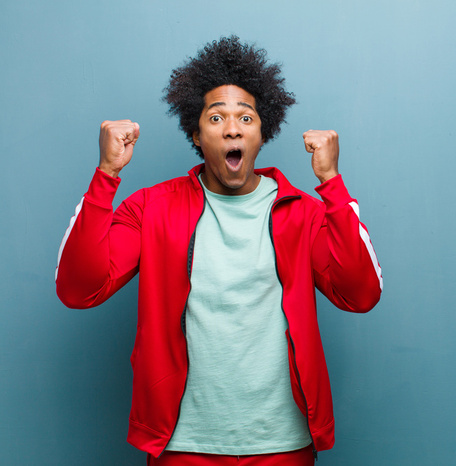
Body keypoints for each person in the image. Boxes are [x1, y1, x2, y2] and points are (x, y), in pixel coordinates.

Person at [55, 35, 382, 465]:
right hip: (182, 444)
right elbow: (80, 289)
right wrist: (106, 175)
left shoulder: (302, 212)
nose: (232, 128)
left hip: (282, 444)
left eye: (246, 117)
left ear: (263, 133)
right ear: (196, 132)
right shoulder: (151, 207)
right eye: (216, 117)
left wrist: (332, 187)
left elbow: (360, 294)